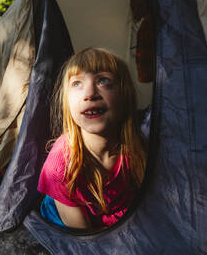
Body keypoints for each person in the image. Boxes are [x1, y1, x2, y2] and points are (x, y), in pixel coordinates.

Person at [38, 48, 147, 230]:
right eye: (77, 84)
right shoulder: (60, 167)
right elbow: (84, 239)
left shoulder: (137, 146)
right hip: (72, 230)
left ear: (124, 94)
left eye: (103, 80)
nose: (90, 93)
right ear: (67, 102)